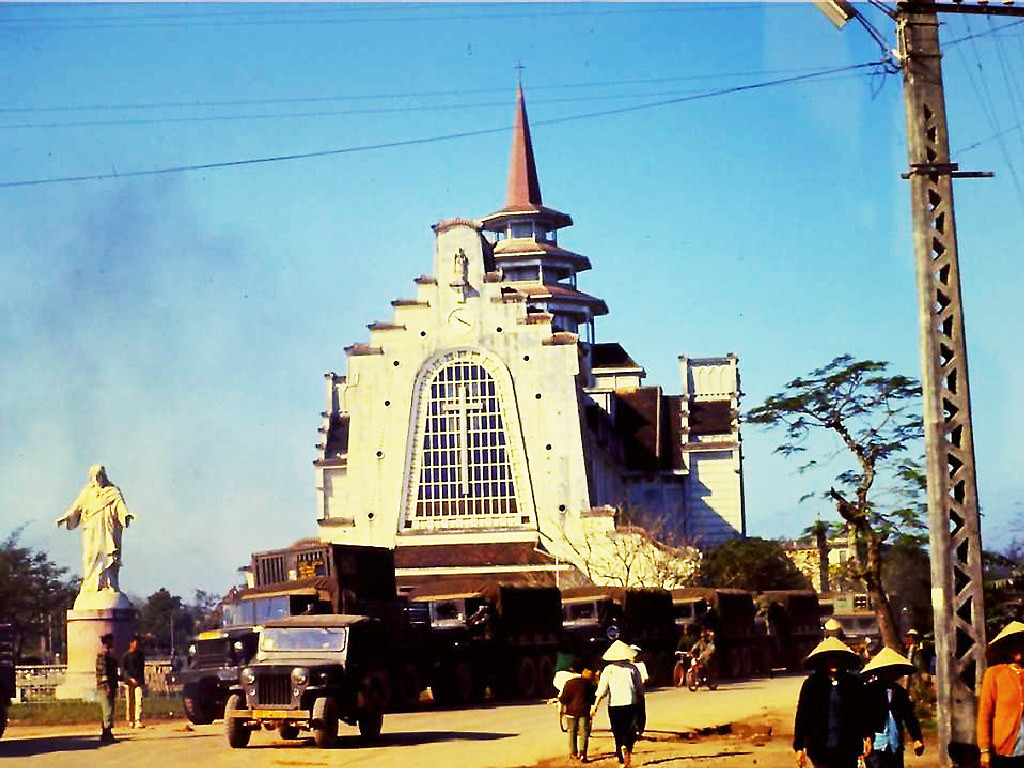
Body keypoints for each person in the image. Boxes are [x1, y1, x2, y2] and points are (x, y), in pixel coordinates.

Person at [57, 465, 134, 595]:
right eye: (95, 476)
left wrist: (126, 515)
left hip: (106, 528)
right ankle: (90, 586)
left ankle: (109, 584)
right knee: (90, 557)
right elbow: (76, 507)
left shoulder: (113, 491)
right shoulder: (86, 492)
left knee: (107, 556)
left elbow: (120, 506)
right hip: (91, 529)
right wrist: (66, 517)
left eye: (100, 475)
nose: (98, 478)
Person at [793, 636, 865, 768]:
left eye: (837, 658)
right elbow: (802, 716)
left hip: (848, 747)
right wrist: (799, 746)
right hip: (820, 746)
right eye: (830, 658)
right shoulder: (811, 684)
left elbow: (861, 714)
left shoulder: (853, 683)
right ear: (822, 661)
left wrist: (866, 737)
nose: (834, 662)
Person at [861, 647, 925, 768]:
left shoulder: (900, 692)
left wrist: (917, 738)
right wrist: (867, 738)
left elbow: (909, 717)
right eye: (887, 671)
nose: (890, 674)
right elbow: (864, 717)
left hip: (895, 742)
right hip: (876, 743)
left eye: (893, 671)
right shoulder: (869, 691)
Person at [977, 621, 1024, 768]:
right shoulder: (994, 674)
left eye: (1022, 644)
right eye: (1014, 644)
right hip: (1005, 751)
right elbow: (985, 713)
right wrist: (984, 749)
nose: (1019, 649)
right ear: (1006, 648)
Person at [591, 639, 644, 767]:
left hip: (614, 705)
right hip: (631, 703)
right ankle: (627, 750)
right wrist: (641, 705)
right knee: (630, 730)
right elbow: (640, 689)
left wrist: (595, 707)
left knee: (617, 731)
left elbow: (601, 690)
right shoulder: (633, 668)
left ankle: (621, 757)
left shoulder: (608, 670)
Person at [560, 664, 597, 762]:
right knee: (584, 733)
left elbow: (563, 699)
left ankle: (573, 753)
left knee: (572, 732)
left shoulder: (568, 683)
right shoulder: (588, 684)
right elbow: (592, 699)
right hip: (584, 712)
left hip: (570, 712)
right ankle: (583, 754)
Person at [96, 633, 119, 744]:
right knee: (107, 709)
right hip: (105, 686)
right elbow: (103, 672)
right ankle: (106, 732)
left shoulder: (109, 656)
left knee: (109, 709)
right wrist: (106, 685)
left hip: (111, 684)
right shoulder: (102, 656)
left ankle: (107, 731)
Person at [122, 634, 145, 729]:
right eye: (135, 643)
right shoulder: (126, 656)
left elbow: (142, 668)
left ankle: (138, 720)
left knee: (139, 701)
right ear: (131, 643)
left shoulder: (140, 655)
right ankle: (131, 720)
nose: (137, 645)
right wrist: (130, 679)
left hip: (139, 681)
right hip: (129, 682)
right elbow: (124, 670)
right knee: (130, 702)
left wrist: (140, 679)